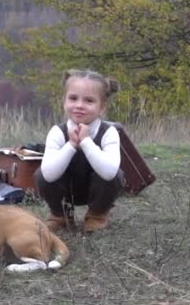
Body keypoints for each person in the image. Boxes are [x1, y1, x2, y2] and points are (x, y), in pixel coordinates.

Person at [35, 69, 124, 233]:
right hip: (66, 190)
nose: (79, 106)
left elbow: (110, 173)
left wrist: (86, 141)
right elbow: (48, 175)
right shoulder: (57, 132)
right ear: (64, 101)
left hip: (97, 189)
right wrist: (71, 145)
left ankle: (96, 215)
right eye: (73, 98)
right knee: (41, 173)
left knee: (116, 174)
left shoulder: (109, 132)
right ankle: (60, 216)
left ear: (102, 107)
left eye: (89, 101)